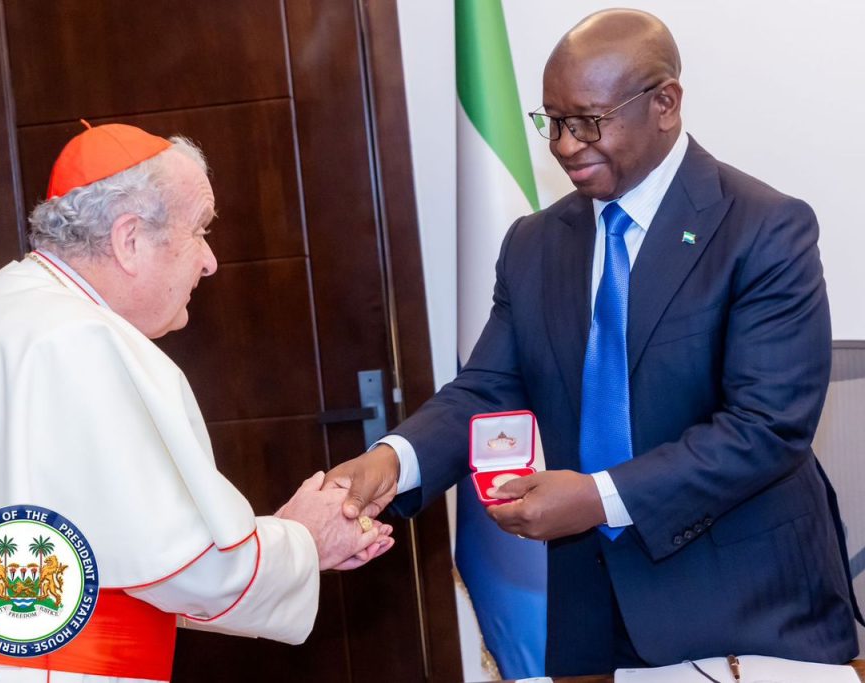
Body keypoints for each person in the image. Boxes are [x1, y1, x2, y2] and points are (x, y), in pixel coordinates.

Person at [324, 8, 860, 676]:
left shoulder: (763, 229)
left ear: (665, 103)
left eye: (588, 121)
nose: (565, 144)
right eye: (551, 121)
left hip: (748, 612)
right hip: (599, 615)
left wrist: (597, 496)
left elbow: (765, 428)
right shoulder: (534, 244)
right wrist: (391, 462)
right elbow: (487, 388)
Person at [0, 122, 393, 682]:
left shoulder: (14, 310)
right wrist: (302, 538)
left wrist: (270, 542)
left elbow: (129, 558)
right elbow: (188, 567)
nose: (209, 262)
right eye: (200, 231)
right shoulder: (78, 340)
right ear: (130, 239)